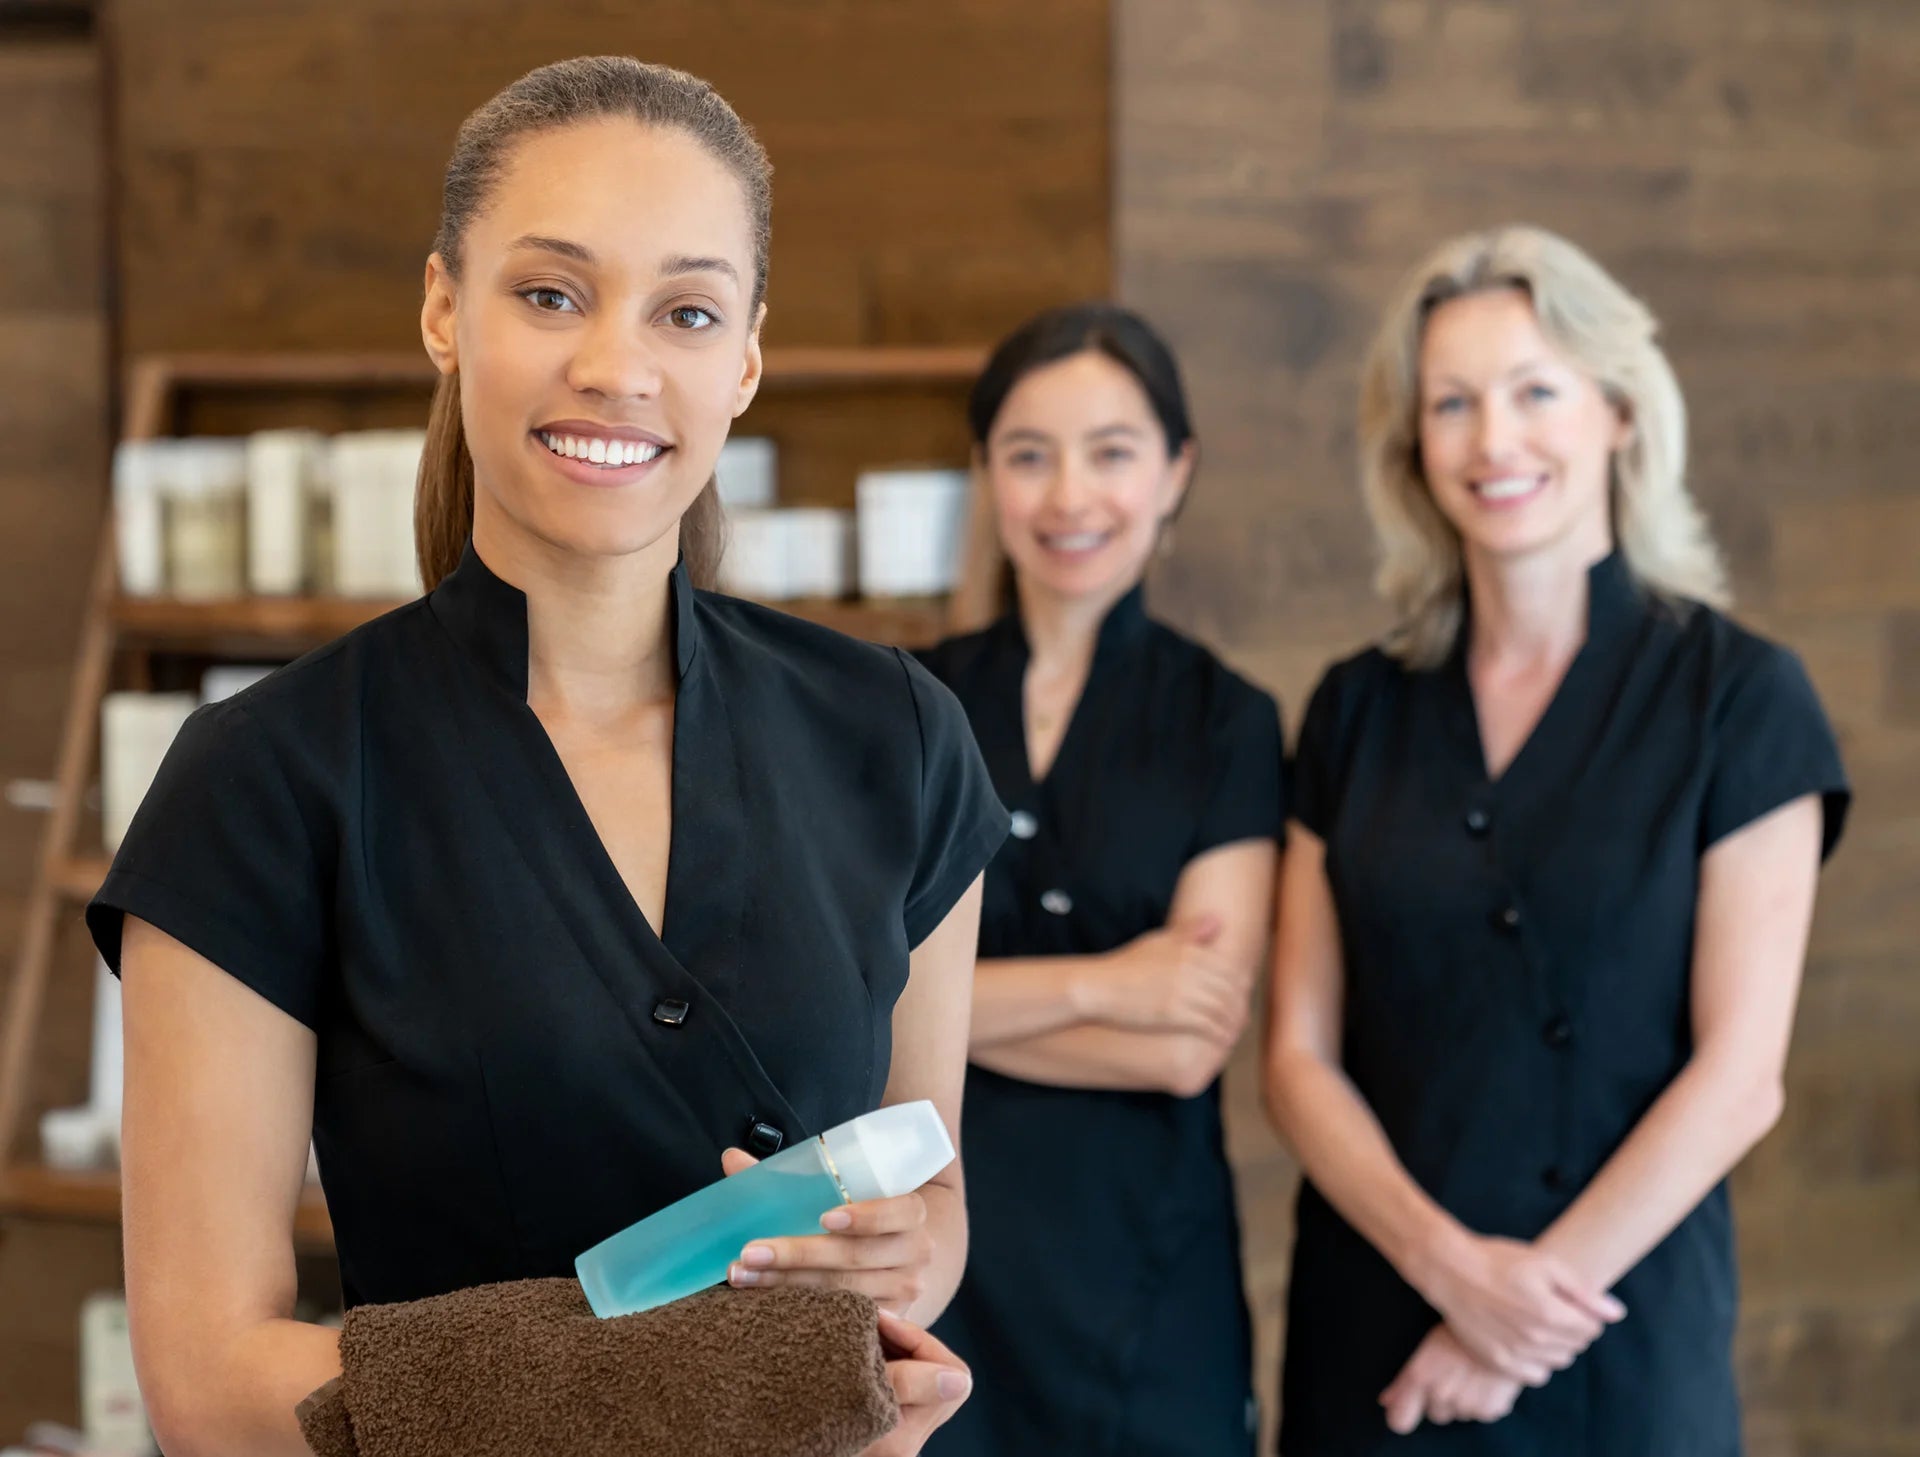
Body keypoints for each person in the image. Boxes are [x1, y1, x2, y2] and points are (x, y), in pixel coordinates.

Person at [86, 57, 1008, 1457]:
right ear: (446, 309)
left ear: (745, 357)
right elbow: (207, 1384)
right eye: (550, 292)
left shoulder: (901, 741)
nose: (616, 367)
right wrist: (688, 1393)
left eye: (686, 311)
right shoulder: (265, 781)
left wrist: (897, 1294)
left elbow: (921, 1190)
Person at [1264, 224, 1850, 1454]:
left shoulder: (1740, 697)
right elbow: (1299, 1057)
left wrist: (1509, 1317)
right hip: (1376, 1326)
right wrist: (1452, 1270)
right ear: (1413, 446)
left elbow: (1741, 1076)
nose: (1495, 440)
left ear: (1620, 413)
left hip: (1611, 1335)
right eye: (1453, 403)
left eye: (1536, 390)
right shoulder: (1355, 708)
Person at [917, 304, 1284, 1456]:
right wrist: (1107, 982)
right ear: (987, 474)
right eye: (1029, 455)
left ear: (1175, 472)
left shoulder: (1227, 719)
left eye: (1112, 452)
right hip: (941, 1265)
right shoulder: (905, 707)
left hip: (1144, 1276)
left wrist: (943, 1005)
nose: (1070, 496)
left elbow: (1184, 1041)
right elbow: (849, 1002)